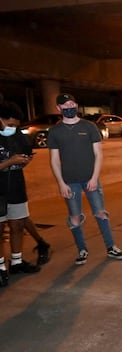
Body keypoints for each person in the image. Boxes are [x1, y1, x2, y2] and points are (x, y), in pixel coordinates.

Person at [48, 93, 122, 265]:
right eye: (65, 105)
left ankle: (111, 246)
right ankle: (82, 250)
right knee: (75, 217)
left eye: (72, 103)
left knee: (101, 213)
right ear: (58, 108)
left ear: (76, 105)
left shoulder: (89, 126)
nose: (69, 107)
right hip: (70, 182)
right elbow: (54, 160)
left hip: (91, 179)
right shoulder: (55, 131)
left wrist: (94, 178)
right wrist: (61, 183)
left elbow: (98, 154)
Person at [0, 100, 43, 287]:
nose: (13, 128)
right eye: (9, 125)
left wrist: (25, 160)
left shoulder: (17, 135)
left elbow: (27, 153)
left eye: (16, 126)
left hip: (17, 186)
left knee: (17, 225)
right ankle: (0, 267)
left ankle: (16, 261)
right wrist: (9, 162)